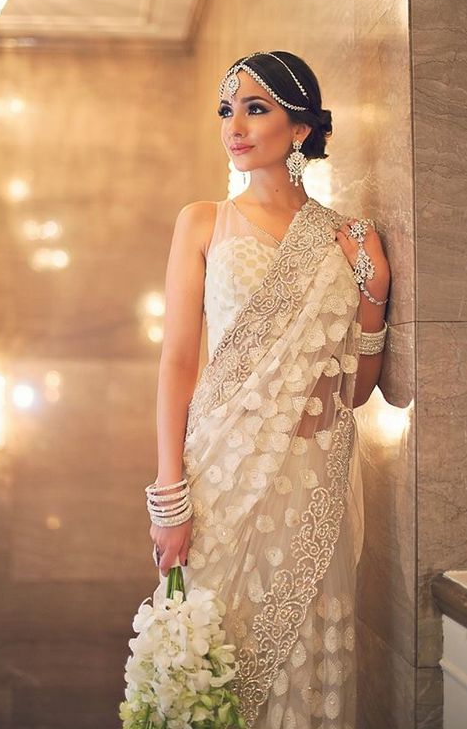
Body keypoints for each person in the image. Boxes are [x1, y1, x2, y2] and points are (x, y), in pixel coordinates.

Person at [146, 51, 390, 729]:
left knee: (301, 661)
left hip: (310, 481)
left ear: (301, 129)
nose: (235, 124)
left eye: (256, 108)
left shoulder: (349, 238)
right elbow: (175, 362)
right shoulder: (200, 221)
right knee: (209, 660)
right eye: (228, 109)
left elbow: (354, 391)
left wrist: (371, 294)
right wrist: (169, 496)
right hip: (219, 479)